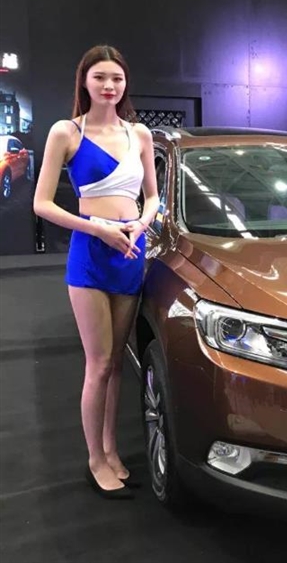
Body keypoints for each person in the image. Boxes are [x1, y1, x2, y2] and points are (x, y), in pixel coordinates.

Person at [33, 45, 159, 499]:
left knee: (118, 363)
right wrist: (97, 228)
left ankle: (110, 450)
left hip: (130, 250)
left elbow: (152, 196)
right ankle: (94, 461)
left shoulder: (139, 133)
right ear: (84, 81)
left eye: (117, 78)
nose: (109, 85)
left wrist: (142, 223)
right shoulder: (66, 132)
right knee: (99, 363)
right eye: (100, 77)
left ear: (125, 84)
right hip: (90, 252)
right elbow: (42, 203)